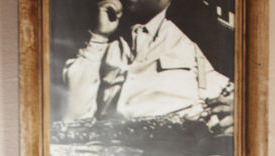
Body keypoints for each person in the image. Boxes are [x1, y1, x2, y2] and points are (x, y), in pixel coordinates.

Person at [63, 0, 233, 133]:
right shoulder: (99, 39)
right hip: (110, 155)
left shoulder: (199, 38)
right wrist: (98, 37)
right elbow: (73, 119)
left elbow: (229, 102)